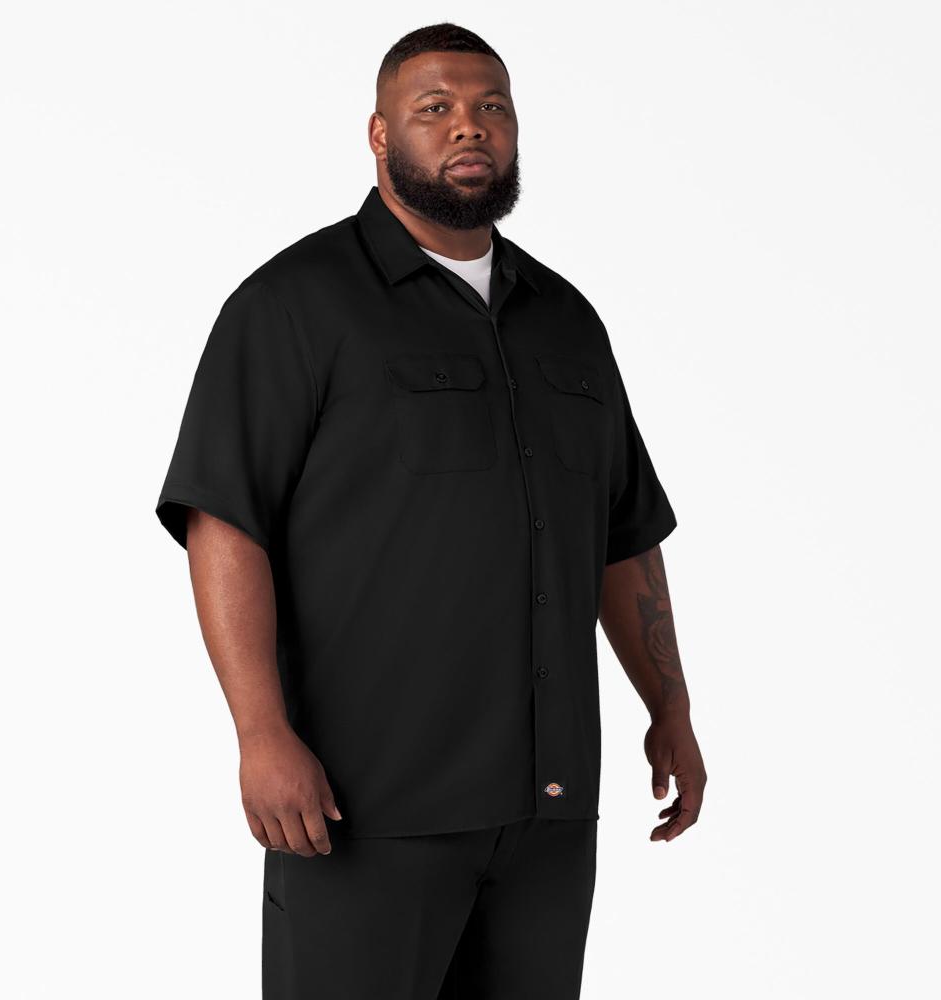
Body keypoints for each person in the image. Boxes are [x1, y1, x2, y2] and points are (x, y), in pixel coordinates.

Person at [155, 21, 706, 1000]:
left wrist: (670, 705)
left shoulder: (567, 322)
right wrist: (261, 733)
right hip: (363, 809)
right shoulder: (294, 306)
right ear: (379, 134)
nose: (470, 126)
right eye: (436, 108)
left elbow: (621, 535)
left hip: (546, 815)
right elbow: (224, 522)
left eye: (492, 107)